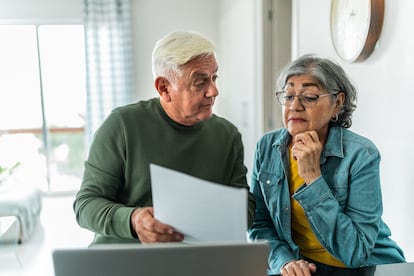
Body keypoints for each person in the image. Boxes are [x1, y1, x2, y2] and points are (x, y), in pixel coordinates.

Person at [73, 31, 255, 244]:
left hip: (196, 261)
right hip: (125, 260)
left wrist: (222, 214)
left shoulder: (228, 136)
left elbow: (246, 209)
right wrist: (133, 220)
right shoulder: (121, 125)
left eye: (214, 77)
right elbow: (85, 205)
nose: (214, 91)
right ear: (164, 88)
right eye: (200, 82)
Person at [248, 54, 405, 276]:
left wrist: (313, 178)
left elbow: (356, 253)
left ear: (337, 103)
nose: (295, 106)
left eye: (309, 97)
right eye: (288, 95)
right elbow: (260, 224)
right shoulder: (266, 147)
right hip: (302, 266)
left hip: (365, 267)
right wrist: (284, 262)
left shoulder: (362, 155)